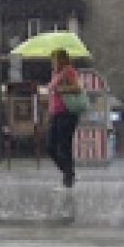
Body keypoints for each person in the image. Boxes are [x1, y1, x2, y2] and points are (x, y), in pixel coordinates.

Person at [46, 47, 82, 187]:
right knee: (50, 146)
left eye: (54, 59)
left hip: (67, 113)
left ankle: (68, 178)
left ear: (61, 59)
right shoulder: (55, 73)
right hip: (56, 114)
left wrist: (60, 89)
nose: (52, 62)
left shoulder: (69, 71)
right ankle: (68, 172)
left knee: (64, 146)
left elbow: (77, 88)